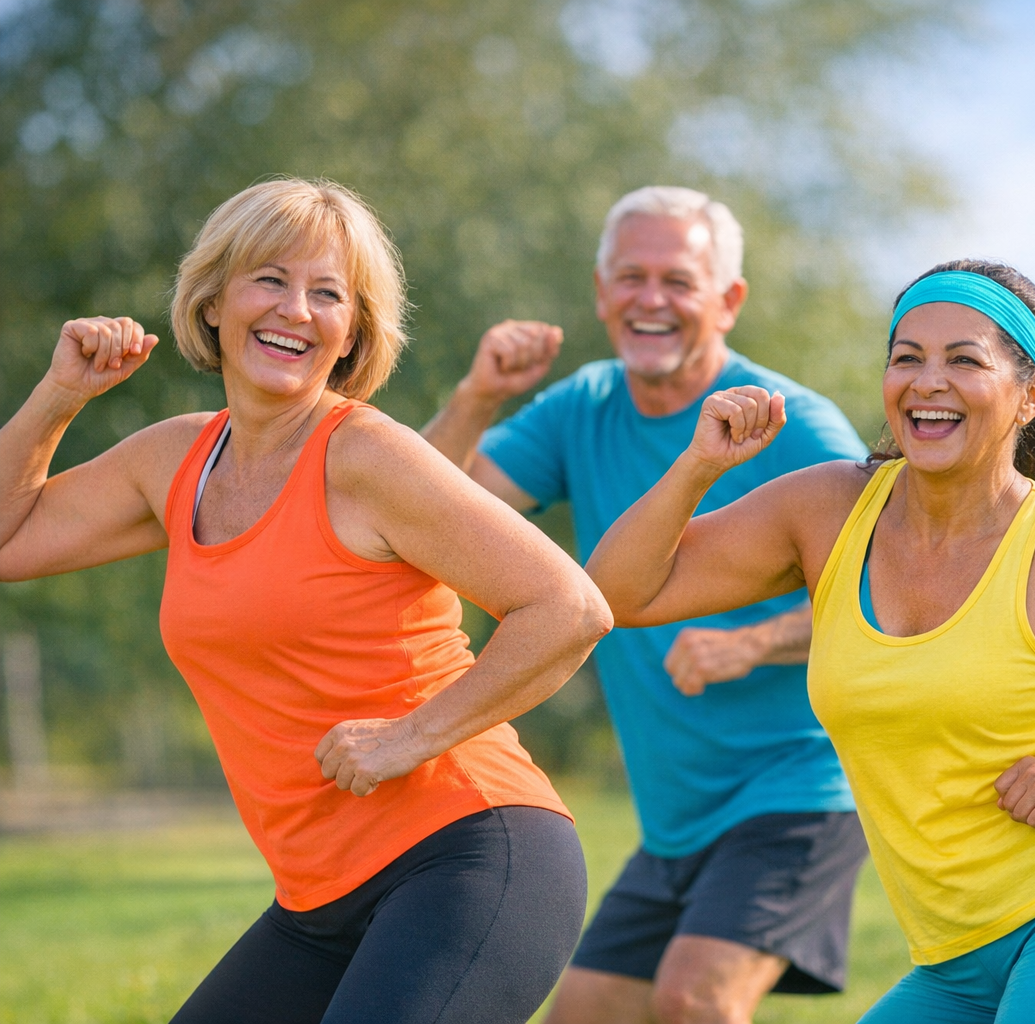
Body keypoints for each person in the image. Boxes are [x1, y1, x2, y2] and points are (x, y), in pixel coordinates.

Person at [583, 257, 1035, 1022]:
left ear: (1031, 396)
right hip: (955, 958)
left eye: (964, 360)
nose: (928, 380)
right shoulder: (828, 509)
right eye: (907, 357)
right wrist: (699, 466)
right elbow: (620, 593)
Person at [0, 178, 612, 1024]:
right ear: (213, 302)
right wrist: (61, 394)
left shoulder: (368, 458)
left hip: (470, 856)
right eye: (270, 279)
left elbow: (569, 608)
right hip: (318, 901)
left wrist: (413, 737)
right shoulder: (174, 459)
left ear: (353, 332)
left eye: (328, 294)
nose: (296, 310)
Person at [421, 186, 870, 1024]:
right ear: (601, 294)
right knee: (581, 1017)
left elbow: (891, 593)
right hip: (675, 814)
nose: (650, 299)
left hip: (799, 789)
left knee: (695, 1002)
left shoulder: (796, 427)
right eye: (631, 277)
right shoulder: (581, 407)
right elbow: (427, 515)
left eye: (678, 279)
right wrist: (478, 397)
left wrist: (756, 641)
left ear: (728, 301)